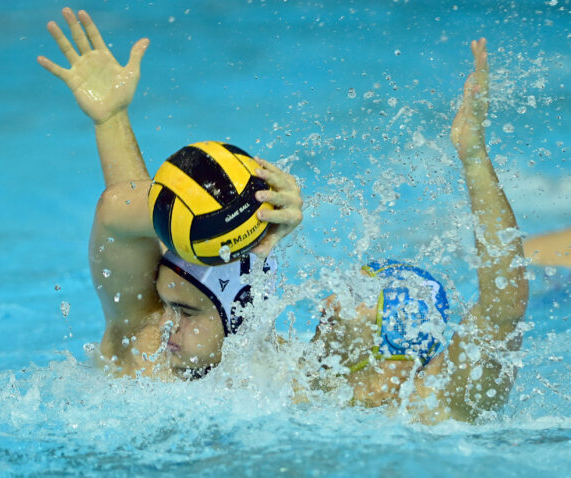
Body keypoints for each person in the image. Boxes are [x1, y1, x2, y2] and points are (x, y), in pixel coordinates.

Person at [38, 8, 303, 379]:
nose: (166, 324)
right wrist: (111, 120)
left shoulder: (286, 380)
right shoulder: (141, 349)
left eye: (187, 311)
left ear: (240, 316)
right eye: (164, 303)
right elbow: (117, 211)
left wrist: (242, 216)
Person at [311, 38, 529, 423]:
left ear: (393, 335)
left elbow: (503, 309)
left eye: (351, 296)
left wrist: (474, 157)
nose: (326, 304)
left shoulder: (434, 404)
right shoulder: (297, 384)